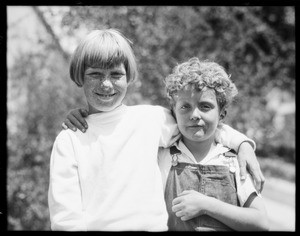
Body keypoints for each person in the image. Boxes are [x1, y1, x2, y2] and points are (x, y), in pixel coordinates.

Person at [49, 28, 264, 231]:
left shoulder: (151, 119)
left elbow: (199, 126)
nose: (106, 84)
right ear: (80, 76)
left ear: (128, 76)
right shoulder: (70, 140)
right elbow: (66, 218)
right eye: (95, 74)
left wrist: (242, 144)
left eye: (115, 74)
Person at [158, 57, 269, 231]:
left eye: (205, 106)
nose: (194, 114)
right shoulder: (162, 156)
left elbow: (260, 222)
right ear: (173, 112)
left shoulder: (234, 161)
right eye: (185, 107)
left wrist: (208, 205)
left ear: (222, 114)